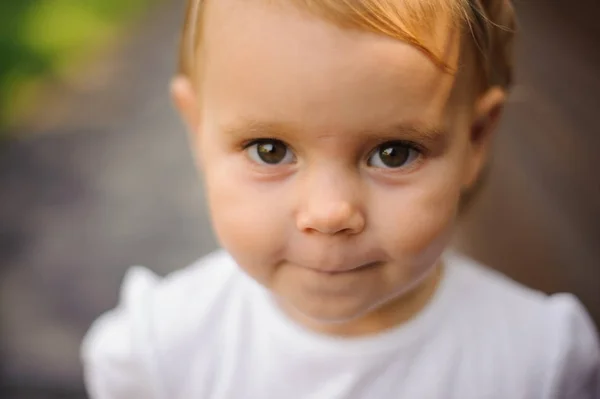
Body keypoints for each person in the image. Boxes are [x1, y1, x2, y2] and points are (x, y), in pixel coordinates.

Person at [81, 0, 600, 397]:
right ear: (197, 130)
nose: (329, 214)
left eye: (394, 153)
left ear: (476, 138)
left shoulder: (539, 362)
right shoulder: (158, 353)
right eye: (270, 149)